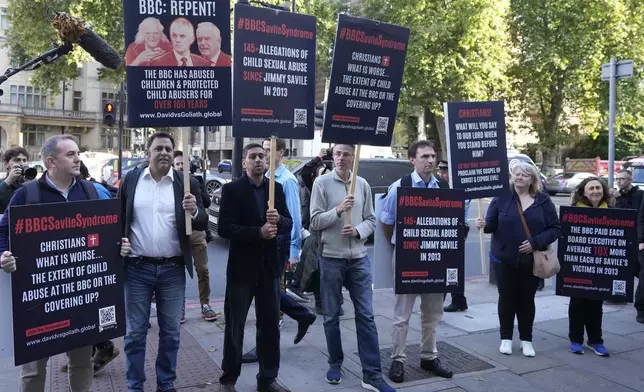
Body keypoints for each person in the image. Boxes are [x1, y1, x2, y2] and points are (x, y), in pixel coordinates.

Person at [0, 135, 99, 392]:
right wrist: (3, 256)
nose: (78, 158)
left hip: (78, 294)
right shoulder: (27, 194)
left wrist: (116, 247)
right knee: (33, 370)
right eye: (71, 154)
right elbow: (3, 232)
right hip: (38, 298)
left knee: (81, 363)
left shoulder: (89, 191)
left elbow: (104, 229)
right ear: (51, 161)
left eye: (78, 153)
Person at [118, 132, 208, 392]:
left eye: (169, 149)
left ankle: (165, 383)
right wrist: (119, 242)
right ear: (148, 152)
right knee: (135, 334)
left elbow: (202, 221)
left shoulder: (186, 182)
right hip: (137, 268)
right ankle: (135, 386)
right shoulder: (132, 179)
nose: (165, 153)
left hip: (172, 269)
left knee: (171, 333)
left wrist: (194, 210)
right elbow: (118, 215)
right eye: (159, 148)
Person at [310, 143, 395, 392]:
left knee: (366, 316)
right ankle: (335, 363)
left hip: (358, 259)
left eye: (346, 154)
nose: (341, 158)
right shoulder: (322, 183)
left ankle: (372, 374)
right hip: (331, 258)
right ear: (332, 156)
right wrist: (338, 211)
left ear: (353, 157)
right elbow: (314, 221)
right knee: (331, 316)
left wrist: (358, 231)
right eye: (337, 154)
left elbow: (371, 220)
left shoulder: (363, 184)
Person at [218, 143, 292, 392]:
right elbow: (224, 228)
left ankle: (268, 378)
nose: (259, 160)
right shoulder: (232, 190)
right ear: (244, 161)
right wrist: (257, 233)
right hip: (241, 269)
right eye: (253, 156)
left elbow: (289, 222)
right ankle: (229, 379)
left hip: (269, 268)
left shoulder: (277, 189)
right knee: (235, 325)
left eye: (262, 156)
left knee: (270, 325)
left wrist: (279, 221)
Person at [380, 142, 454, 383]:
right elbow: (387, 221)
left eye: (433, 156)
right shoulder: (400, 186)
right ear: (412, 159)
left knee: (433, 313)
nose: (430, 160)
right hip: (407, 258)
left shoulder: (443, 187)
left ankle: (429, 357)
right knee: (402, 314)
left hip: (435, 259)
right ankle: (398, 359)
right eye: (425, 156)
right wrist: (404, 246)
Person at [475, 160, 560, 357]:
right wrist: (483, 225)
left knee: (526, 300)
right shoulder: (501, 198)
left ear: (532, 179)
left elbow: (555, 228)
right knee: (506, 298)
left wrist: (535, 243)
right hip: (504, 259)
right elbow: (491, 226)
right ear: (511, 177)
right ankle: (505, 338)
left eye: (525, 174)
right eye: (516, 173)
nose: (520, 177)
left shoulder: (543, 200)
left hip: (530, 262)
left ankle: (526, 340)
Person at [241, 139, 315, 363]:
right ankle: (303, 315)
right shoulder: (263, 178)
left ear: (280, 152)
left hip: (279, 245)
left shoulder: (287, 181)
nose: (262, 154)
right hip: (262, 244)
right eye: (261, 150)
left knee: (268, 297)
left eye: (267, 150)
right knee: (267, 292)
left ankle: (263, 347)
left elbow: (292, 218)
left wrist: (294, 251)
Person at [567, 177, 613, 356]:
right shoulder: (574, 211)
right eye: (591, 188)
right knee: (577, 303)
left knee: (596, 304)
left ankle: (596, 341)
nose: (595, 191)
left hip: (600, 265)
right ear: (584, 192)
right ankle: (576, 340)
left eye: (598, 188)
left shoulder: (611, 211)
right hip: (578, 265)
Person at [173, 151, 218, 322]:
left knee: (202, 269)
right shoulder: (169, 183)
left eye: (182, 163)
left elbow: (204, 203)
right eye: (177, 164)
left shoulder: (195, 181)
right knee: (177, 273)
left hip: (196, 232)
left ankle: (205, 304)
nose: (180, 166)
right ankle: (180, 306)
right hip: (177, 234)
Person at [436, 159, 471, 312]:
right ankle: (458, 299)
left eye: (445, 171)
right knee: (448, 266)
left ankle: (447, 301)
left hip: (456, 230)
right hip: (445, 230)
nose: (442, 174)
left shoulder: (459, 189)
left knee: (448, 266)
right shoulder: (440, 186)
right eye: (441, 171)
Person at [0, 146, 29, 213]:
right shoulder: (2, 183)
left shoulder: (30, 184)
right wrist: (8, 181)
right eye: (17, 160)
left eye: (24, 160)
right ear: (6, 164)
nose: (22, 163)